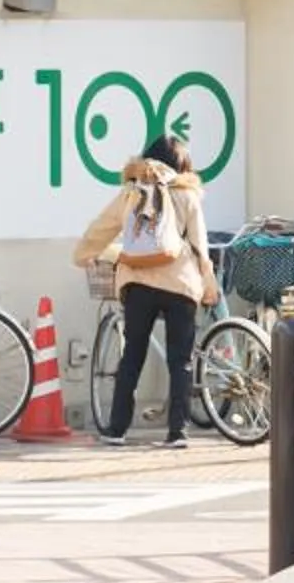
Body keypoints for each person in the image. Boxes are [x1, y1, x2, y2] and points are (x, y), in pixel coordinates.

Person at [72, 134, 218, 448]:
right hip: (180, 284)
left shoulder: (132, 191)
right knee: (180, 361)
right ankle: (177, 432)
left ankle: (117, 430)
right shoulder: (188, 194)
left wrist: (84, 253)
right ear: (181, 164)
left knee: (132, 356)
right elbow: (200, 246)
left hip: (138, 282)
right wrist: (208, 284)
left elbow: (103, 226)